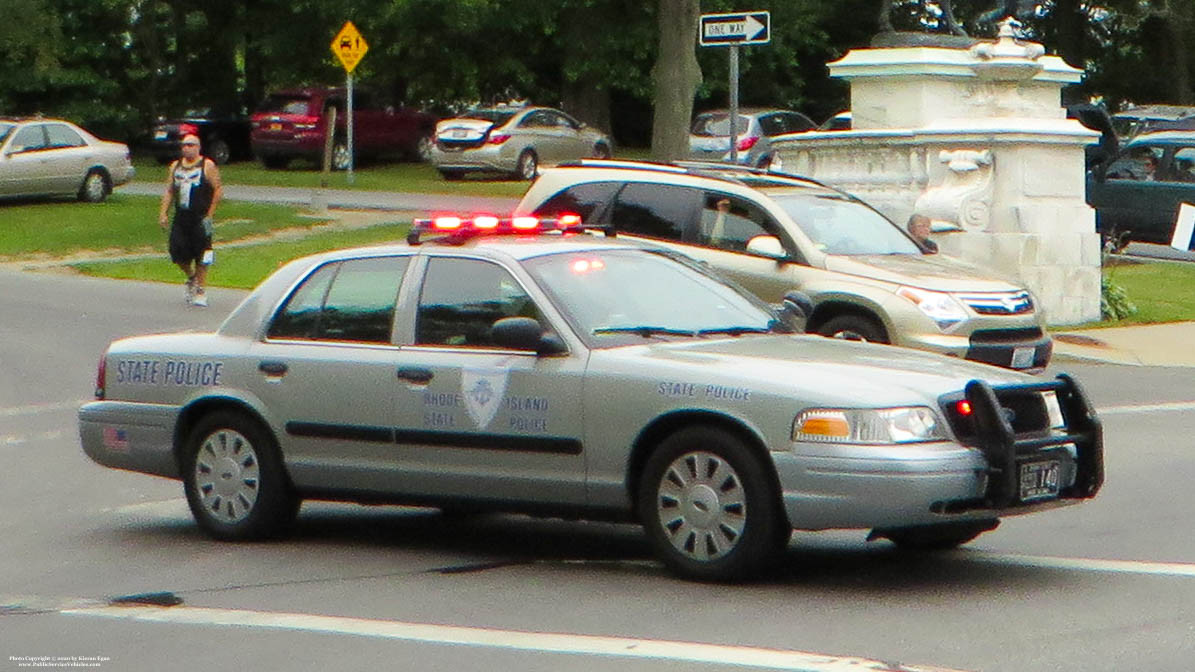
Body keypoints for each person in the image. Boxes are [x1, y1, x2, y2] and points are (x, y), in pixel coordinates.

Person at [159, 133, 222, 307]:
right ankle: (191, 277)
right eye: (185, 145)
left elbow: (217, 189)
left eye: (191, 145)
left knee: (203, 254)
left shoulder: (206, 165)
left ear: (198, 147)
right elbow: (170, 190)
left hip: (200, 216)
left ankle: (201, 289)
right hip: (182, 216)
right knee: (177, 251)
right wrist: (163, 212)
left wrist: (210, 214)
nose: (187, 148)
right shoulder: (175, 167)